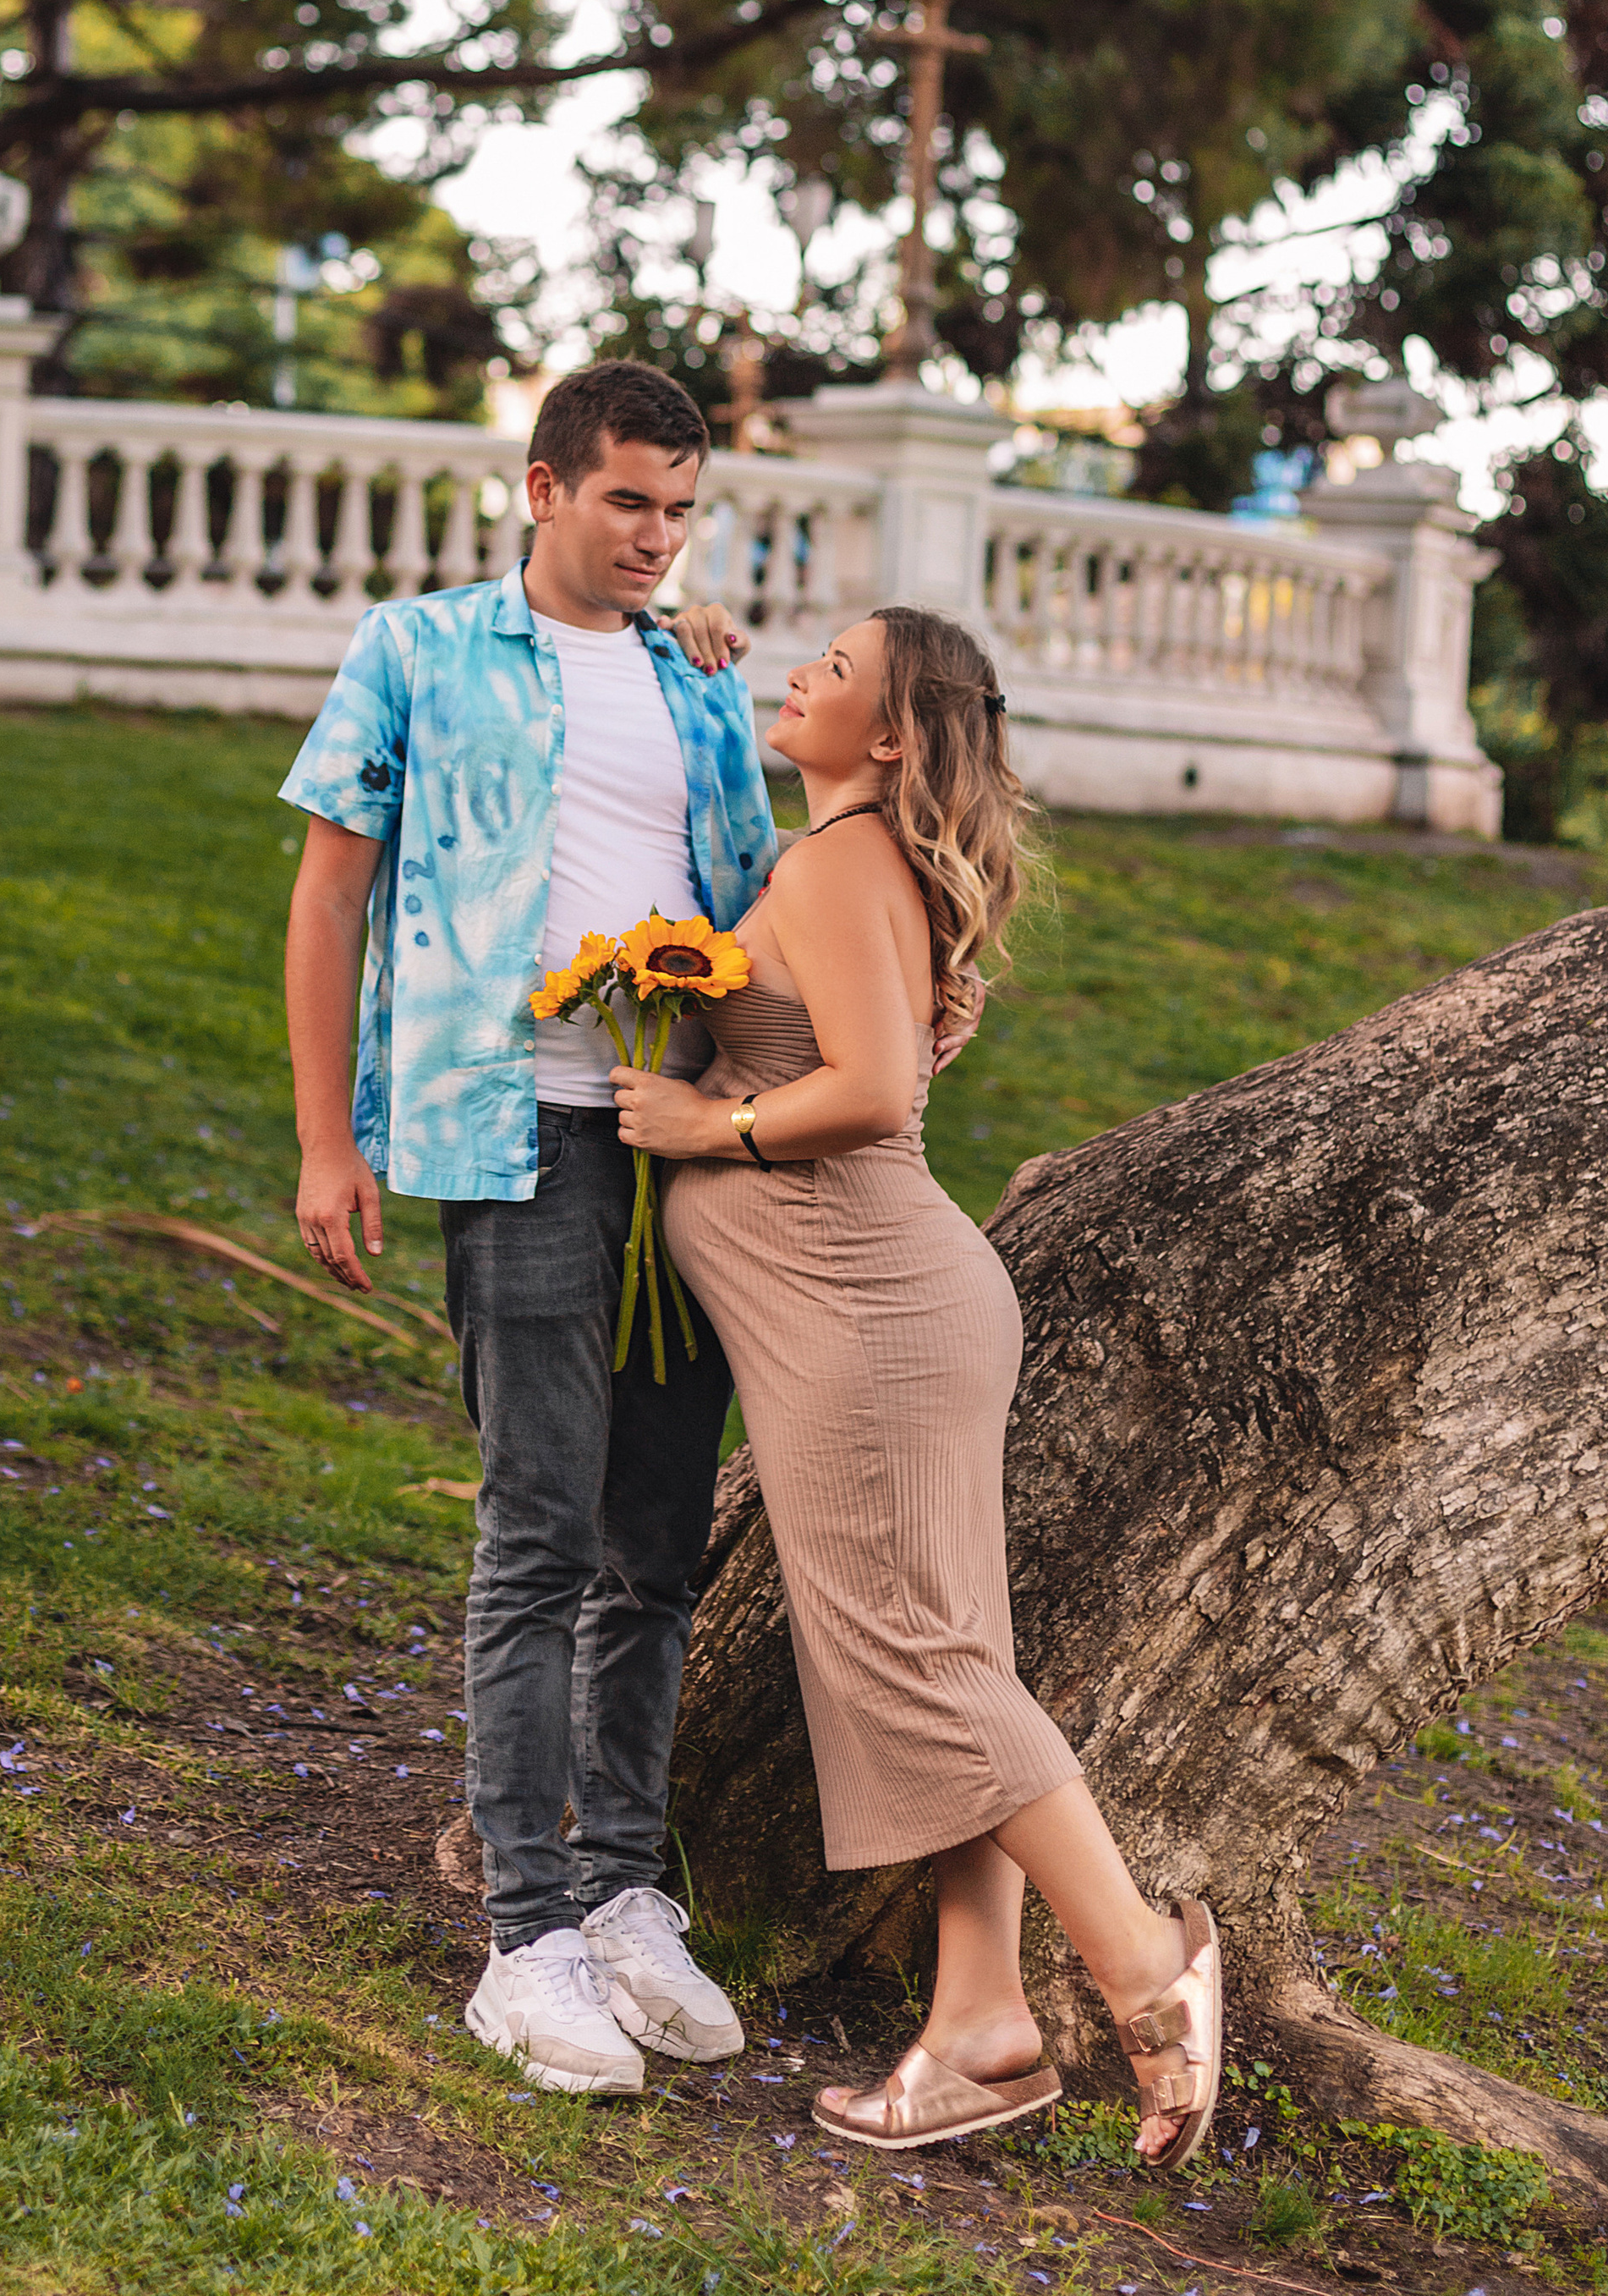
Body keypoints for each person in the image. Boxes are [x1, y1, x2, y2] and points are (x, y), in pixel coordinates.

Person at [606, 604, 1224, 2165]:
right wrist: (687, 665)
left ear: (888, 735)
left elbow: (871, 1088)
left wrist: (709, 1135)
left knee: (921, 1672)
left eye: (833, 666)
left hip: (866, 1306)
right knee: (955, 1663)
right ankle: (980, 2028)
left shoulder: (835, 865)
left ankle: (1147, 1965)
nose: (798, 672)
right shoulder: (854, 856)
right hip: (890, 1302)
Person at [279, 360, 772, 2097]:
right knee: (535, 1535)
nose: (654, 536)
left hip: (686, 1151)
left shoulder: (699, 683)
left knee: (656, 1542)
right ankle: (527, 1937)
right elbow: (330, 889)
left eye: (679, 510)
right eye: (628, 499)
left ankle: (629, 1892)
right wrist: (325, 1141)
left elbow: (772, 906)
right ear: (544, 488)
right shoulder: (415, 652)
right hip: (514, 1141)